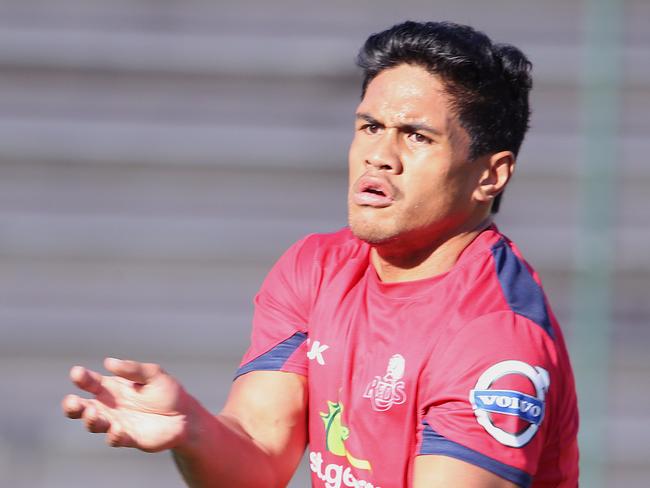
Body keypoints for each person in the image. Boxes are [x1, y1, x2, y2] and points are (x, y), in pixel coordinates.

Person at [62, 21, 579, 488]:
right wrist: (192, 429)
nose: (380, 155)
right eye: (370, 127)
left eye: (416, 136)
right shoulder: (317, 268)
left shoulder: (494, 336)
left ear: (490, 175)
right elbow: (261, 458)